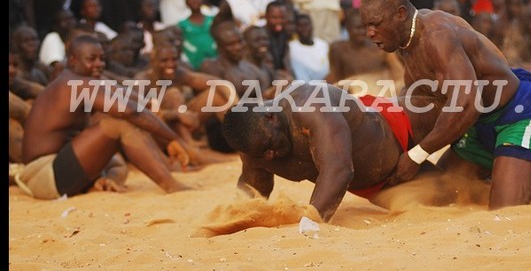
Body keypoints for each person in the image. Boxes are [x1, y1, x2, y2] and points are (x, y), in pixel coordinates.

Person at [359, 0, 531, 210]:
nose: (370, 33)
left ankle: (530, 172)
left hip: (518, 114)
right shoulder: (408, 39)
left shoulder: (436, 34)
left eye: (376, 24)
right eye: (366, 26)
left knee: (504, 211)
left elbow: (467, 104)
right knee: (449, 193)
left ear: (400, 14)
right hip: (476, 125)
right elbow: (418, 102)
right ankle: (526, 169)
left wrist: (416, 155)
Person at [221, 82, 443, 222]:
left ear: (270, 116)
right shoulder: (254, 145)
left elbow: (339, 169)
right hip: (381, 184)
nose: (270, 156)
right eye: (262, 154)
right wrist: (234, 219)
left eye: (269, 146)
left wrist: (310, 222)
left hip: (394, 126)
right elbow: (251, 197)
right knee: (455, 190)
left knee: (457, 114)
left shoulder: (310, 106)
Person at [16, 34, 198, 199]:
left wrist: (152, 106)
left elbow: (127, 96)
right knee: (118, 124)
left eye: (102, 59)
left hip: (60, 167)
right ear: (72, 60)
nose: (99, 64)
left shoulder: (87, 81)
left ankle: (102, 183)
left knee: (117, 166)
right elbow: (130, 111)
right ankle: (171, 185)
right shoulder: (74, 83)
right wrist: (173, 139)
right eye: (91, 59)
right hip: (42, 175)